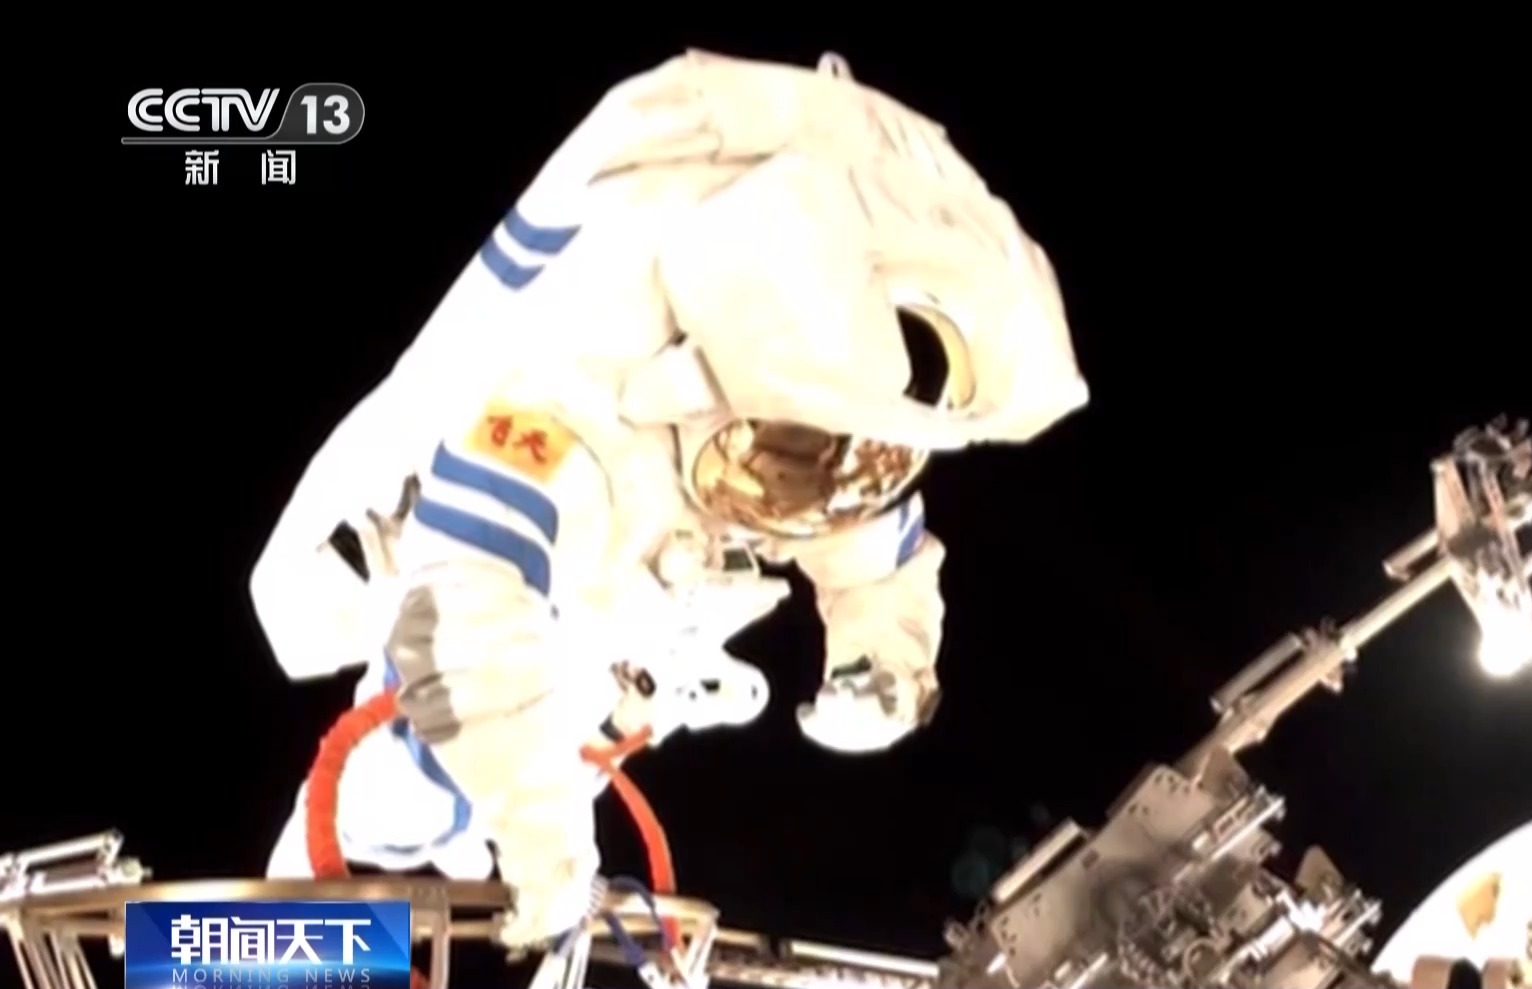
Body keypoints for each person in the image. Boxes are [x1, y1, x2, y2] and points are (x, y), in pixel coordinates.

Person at [250, 50, 1087, 950]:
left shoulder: (834, 409)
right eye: (798, 454)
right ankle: (227, 956)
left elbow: (870, 543)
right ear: (713, 384)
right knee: (389, 812)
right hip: (471, 659)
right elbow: (462, 616)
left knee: (533, 782)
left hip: (599, 669)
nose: (814, 490)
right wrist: (543, 845)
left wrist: (883, 661)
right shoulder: (571, 391)